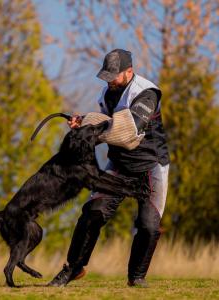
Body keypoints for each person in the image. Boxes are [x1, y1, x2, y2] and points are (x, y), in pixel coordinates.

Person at [48, 49, 170, 287]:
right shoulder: (108, 92)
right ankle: (73, 268)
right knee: (92, 213)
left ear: (129, 72)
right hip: (119, 165)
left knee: (148, 225)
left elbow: (127, 132)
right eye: (106, 75)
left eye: (113, 75)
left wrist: (93, 128)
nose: (109, 80)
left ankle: (136, 278)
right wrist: (83, 122)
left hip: (150, 166)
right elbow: (104, 121)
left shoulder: (147, 94)